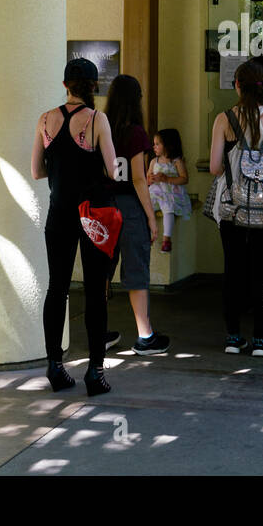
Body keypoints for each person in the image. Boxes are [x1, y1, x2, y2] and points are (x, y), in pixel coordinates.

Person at [29, 58, 118, 396]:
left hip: (59, 214)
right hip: (92, 216)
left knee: (57, 288)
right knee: (96, 291)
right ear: (94, 86)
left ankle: (55, 365)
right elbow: (112, 169)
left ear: (65, 85)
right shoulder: (97, 120)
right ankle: (95, 372)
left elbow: (36, 170)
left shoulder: (45, 120)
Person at [209, 60, 263, 356]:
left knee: (233, 270)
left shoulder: (223, 119)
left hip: (231, 207)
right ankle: (260, 338)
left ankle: (233, 336)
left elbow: (214, 166)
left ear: (237, 86)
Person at [105, 75, 170, 356]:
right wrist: (151, 217)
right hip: (129, 207)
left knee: (102, 271)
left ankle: (100, 332)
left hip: (103, 205)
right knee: (136, 270)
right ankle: (145, 336)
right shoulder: (136, 134)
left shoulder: (100, 126)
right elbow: (139, 179)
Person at [147, 128, 191, 254]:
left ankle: (167, 239)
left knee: (168, 209)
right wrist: (151, 179)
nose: (154, 146)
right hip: (156, 192)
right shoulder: (153, 162)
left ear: (168, 145)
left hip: (171, 193)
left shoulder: (176, 161)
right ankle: (148, 235)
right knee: (147, 207)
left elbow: (184, 179)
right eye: (154, 144)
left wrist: (166, 178)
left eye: (157, 144)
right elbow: (148, 179)